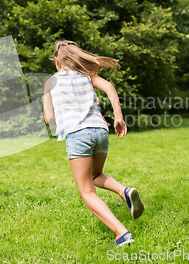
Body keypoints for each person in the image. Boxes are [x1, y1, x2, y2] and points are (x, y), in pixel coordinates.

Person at [43, 40, 144, 247]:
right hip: (100, 131)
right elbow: (109, 87)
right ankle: (124, 191)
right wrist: (118, 118)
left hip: (78, 134)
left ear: (57, 61)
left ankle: (121, 233)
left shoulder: (51, 82)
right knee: (95, 175)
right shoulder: (86, 75)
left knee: (87, 191)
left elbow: (49, 118)